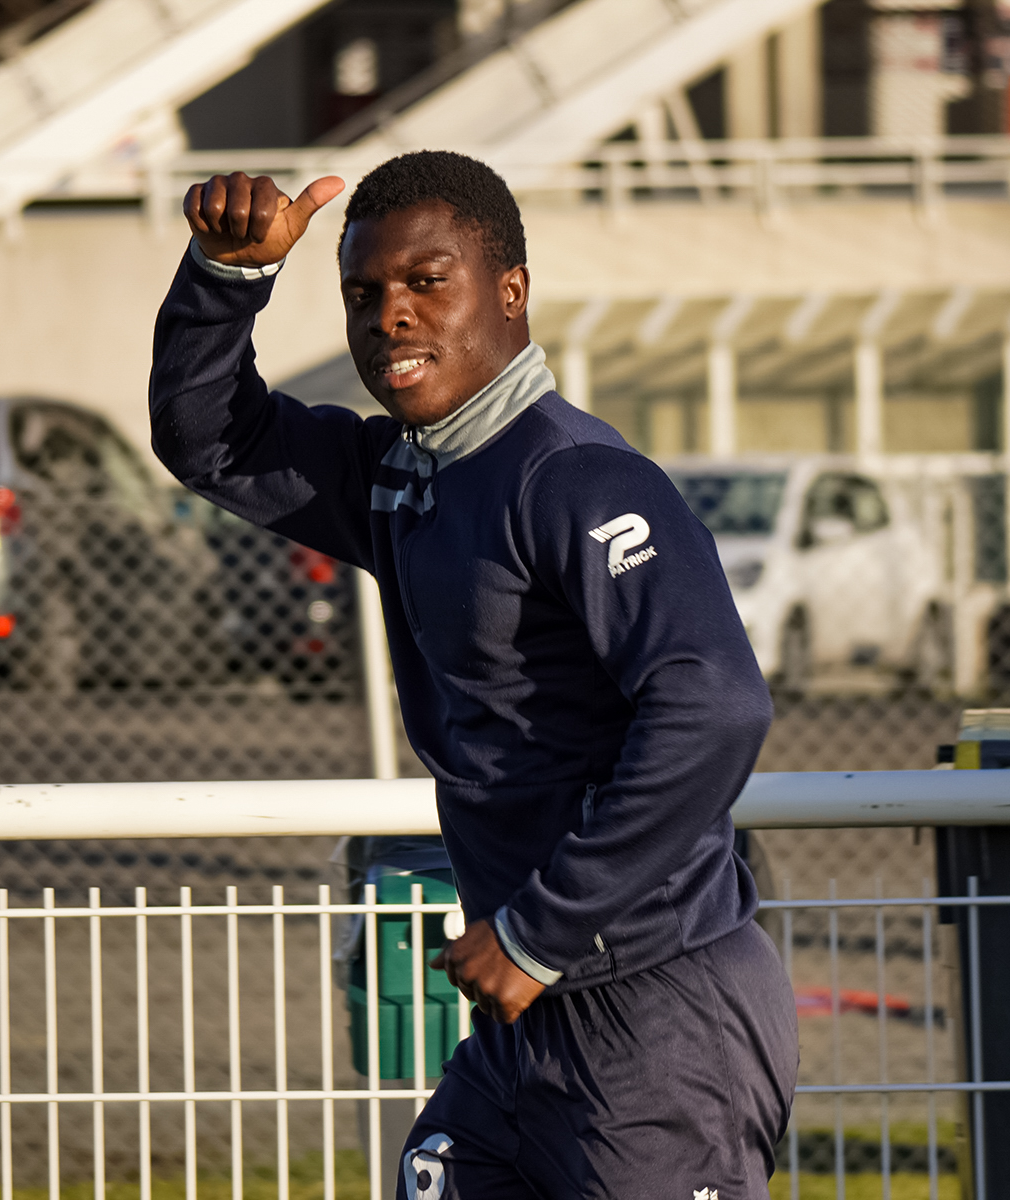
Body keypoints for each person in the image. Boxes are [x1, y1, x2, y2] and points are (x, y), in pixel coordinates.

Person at [150, 151, 797, 1200]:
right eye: (365, 294)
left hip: (653, 1009)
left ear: (509, 293)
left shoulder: (576, 478)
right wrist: (223, 280)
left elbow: (714, 706)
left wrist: (540, 931)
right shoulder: (400, 476)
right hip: (521, 1027)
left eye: (425, 282)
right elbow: (208, 437)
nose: (390, 317)